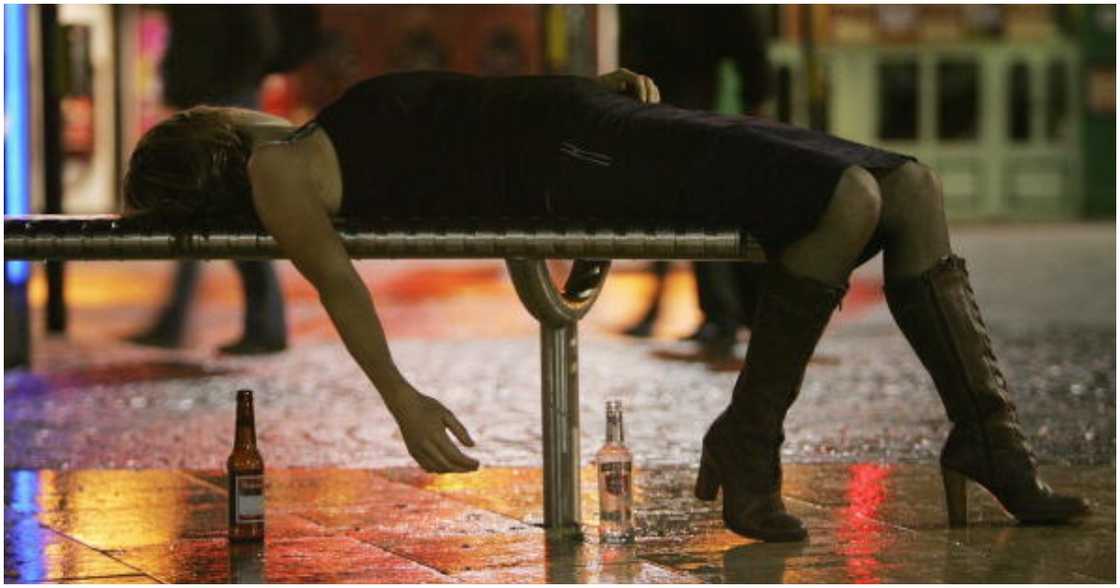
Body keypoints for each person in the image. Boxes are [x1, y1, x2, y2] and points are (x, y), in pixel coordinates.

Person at [121, 68, 1088, 542]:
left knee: (908, 186)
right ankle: (748, 446)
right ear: (212, 145)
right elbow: (339, 284)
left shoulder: (303, 141)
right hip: (579, 162)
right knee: (851, 199)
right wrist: (402, 400)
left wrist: (594, 89)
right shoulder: (280, 172)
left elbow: (467, 124)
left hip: (589, 127)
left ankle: (989, 443)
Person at [129, 5, 321, 354]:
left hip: (222, 103)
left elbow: (257, 41)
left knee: (226, 210)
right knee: (200, 206)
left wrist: (223, 94)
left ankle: (260, 325)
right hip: (211, 100)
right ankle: (183, 320)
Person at [617, 5, 771, 356]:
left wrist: (754, 97)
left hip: (690, 104)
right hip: (669, 103)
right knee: (680, 208)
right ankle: (710, 313)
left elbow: (745, 41)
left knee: (698, 209)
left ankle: (719, 314)